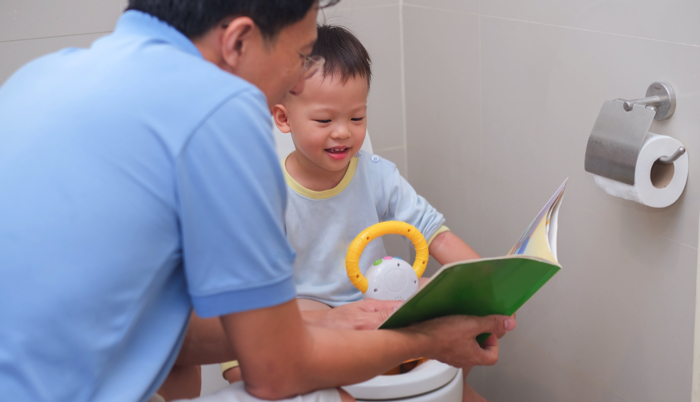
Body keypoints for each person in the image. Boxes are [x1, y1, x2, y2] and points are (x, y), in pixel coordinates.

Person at [0, 1, 516, 402]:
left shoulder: (37, 80)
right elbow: (278, 372)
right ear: (239, 40)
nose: (295, 80)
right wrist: (426, 339)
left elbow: (145, 325)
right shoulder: (218, 114)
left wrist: (328, 320)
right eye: (298, 56)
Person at [220, 25, 491, 402]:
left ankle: (461, 388)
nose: (343, 133)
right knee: (293, 318)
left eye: (357, 118)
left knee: (445, 299)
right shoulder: (268, 194)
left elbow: (434, 233)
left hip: (373, 295)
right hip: (305, 308)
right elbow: (250, 296)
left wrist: (487, 288)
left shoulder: (376, 173)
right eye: (324, 121)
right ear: (283, 120)